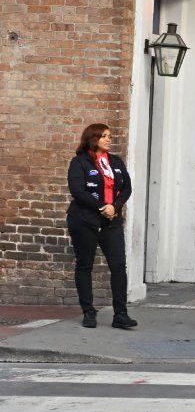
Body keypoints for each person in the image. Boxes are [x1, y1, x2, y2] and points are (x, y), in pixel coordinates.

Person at [66, 124, 136, 330]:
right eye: (104, 136)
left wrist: (115, 207)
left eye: (110, 136)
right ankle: (88, 311)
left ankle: (120, 314)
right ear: (93, 139)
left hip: (111, 221)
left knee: (118, 266)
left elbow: (126, 187)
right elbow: (77, 190)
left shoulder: (115, 161)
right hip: (84, 220)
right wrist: (101, 207)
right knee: (84, 264)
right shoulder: (79, 162)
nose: (109, 139)